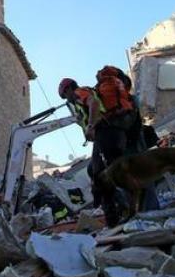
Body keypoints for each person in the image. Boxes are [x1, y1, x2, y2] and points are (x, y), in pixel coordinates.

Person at [59, 71, 139, 225]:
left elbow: (94, 104)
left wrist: (90, 126)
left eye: (64, 95)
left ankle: (115, 217)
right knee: (95, 171)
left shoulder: (78, 93)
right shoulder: (84, 95)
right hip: (113, 134)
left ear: (68, 89)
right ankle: (122, 207)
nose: (66, 99)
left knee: (100, 175)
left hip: (107, 133)